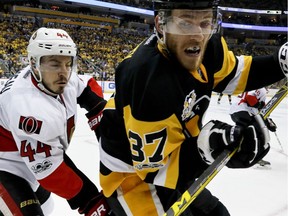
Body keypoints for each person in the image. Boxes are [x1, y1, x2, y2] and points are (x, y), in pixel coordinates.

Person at [97, 0, 288, 215]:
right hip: (132, 178)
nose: (198, 35)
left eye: (205, 23)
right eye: (185, 23)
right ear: (161, 25)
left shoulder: (209, 47)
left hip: (173, 159)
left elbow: (236, 75)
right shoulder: (148, 79)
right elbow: (152, 169)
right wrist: (212, 144)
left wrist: (279, 62)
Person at [0, 27, 110, 216]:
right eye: (55, 64)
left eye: (68, 64)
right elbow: (52, 172)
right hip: (5, 166)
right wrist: (91, 201)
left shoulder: (58, 77)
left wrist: (103, 119)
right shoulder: (28, 109)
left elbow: (88, 86)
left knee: (47, 207)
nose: (64, 73)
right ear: (34, 63)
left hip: (27, 159)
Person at [229, 87, 277, 167]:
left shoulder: (252, 84)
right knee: (257, 134)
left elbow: (257, 106)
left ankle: (240, 152)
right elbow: (250, 98)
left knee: (247, 134)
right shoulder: (262, 88)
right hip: (243, 112)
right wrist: (266, 120)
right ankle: (253, 157)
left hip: (234, 112)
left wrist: (266, 119)